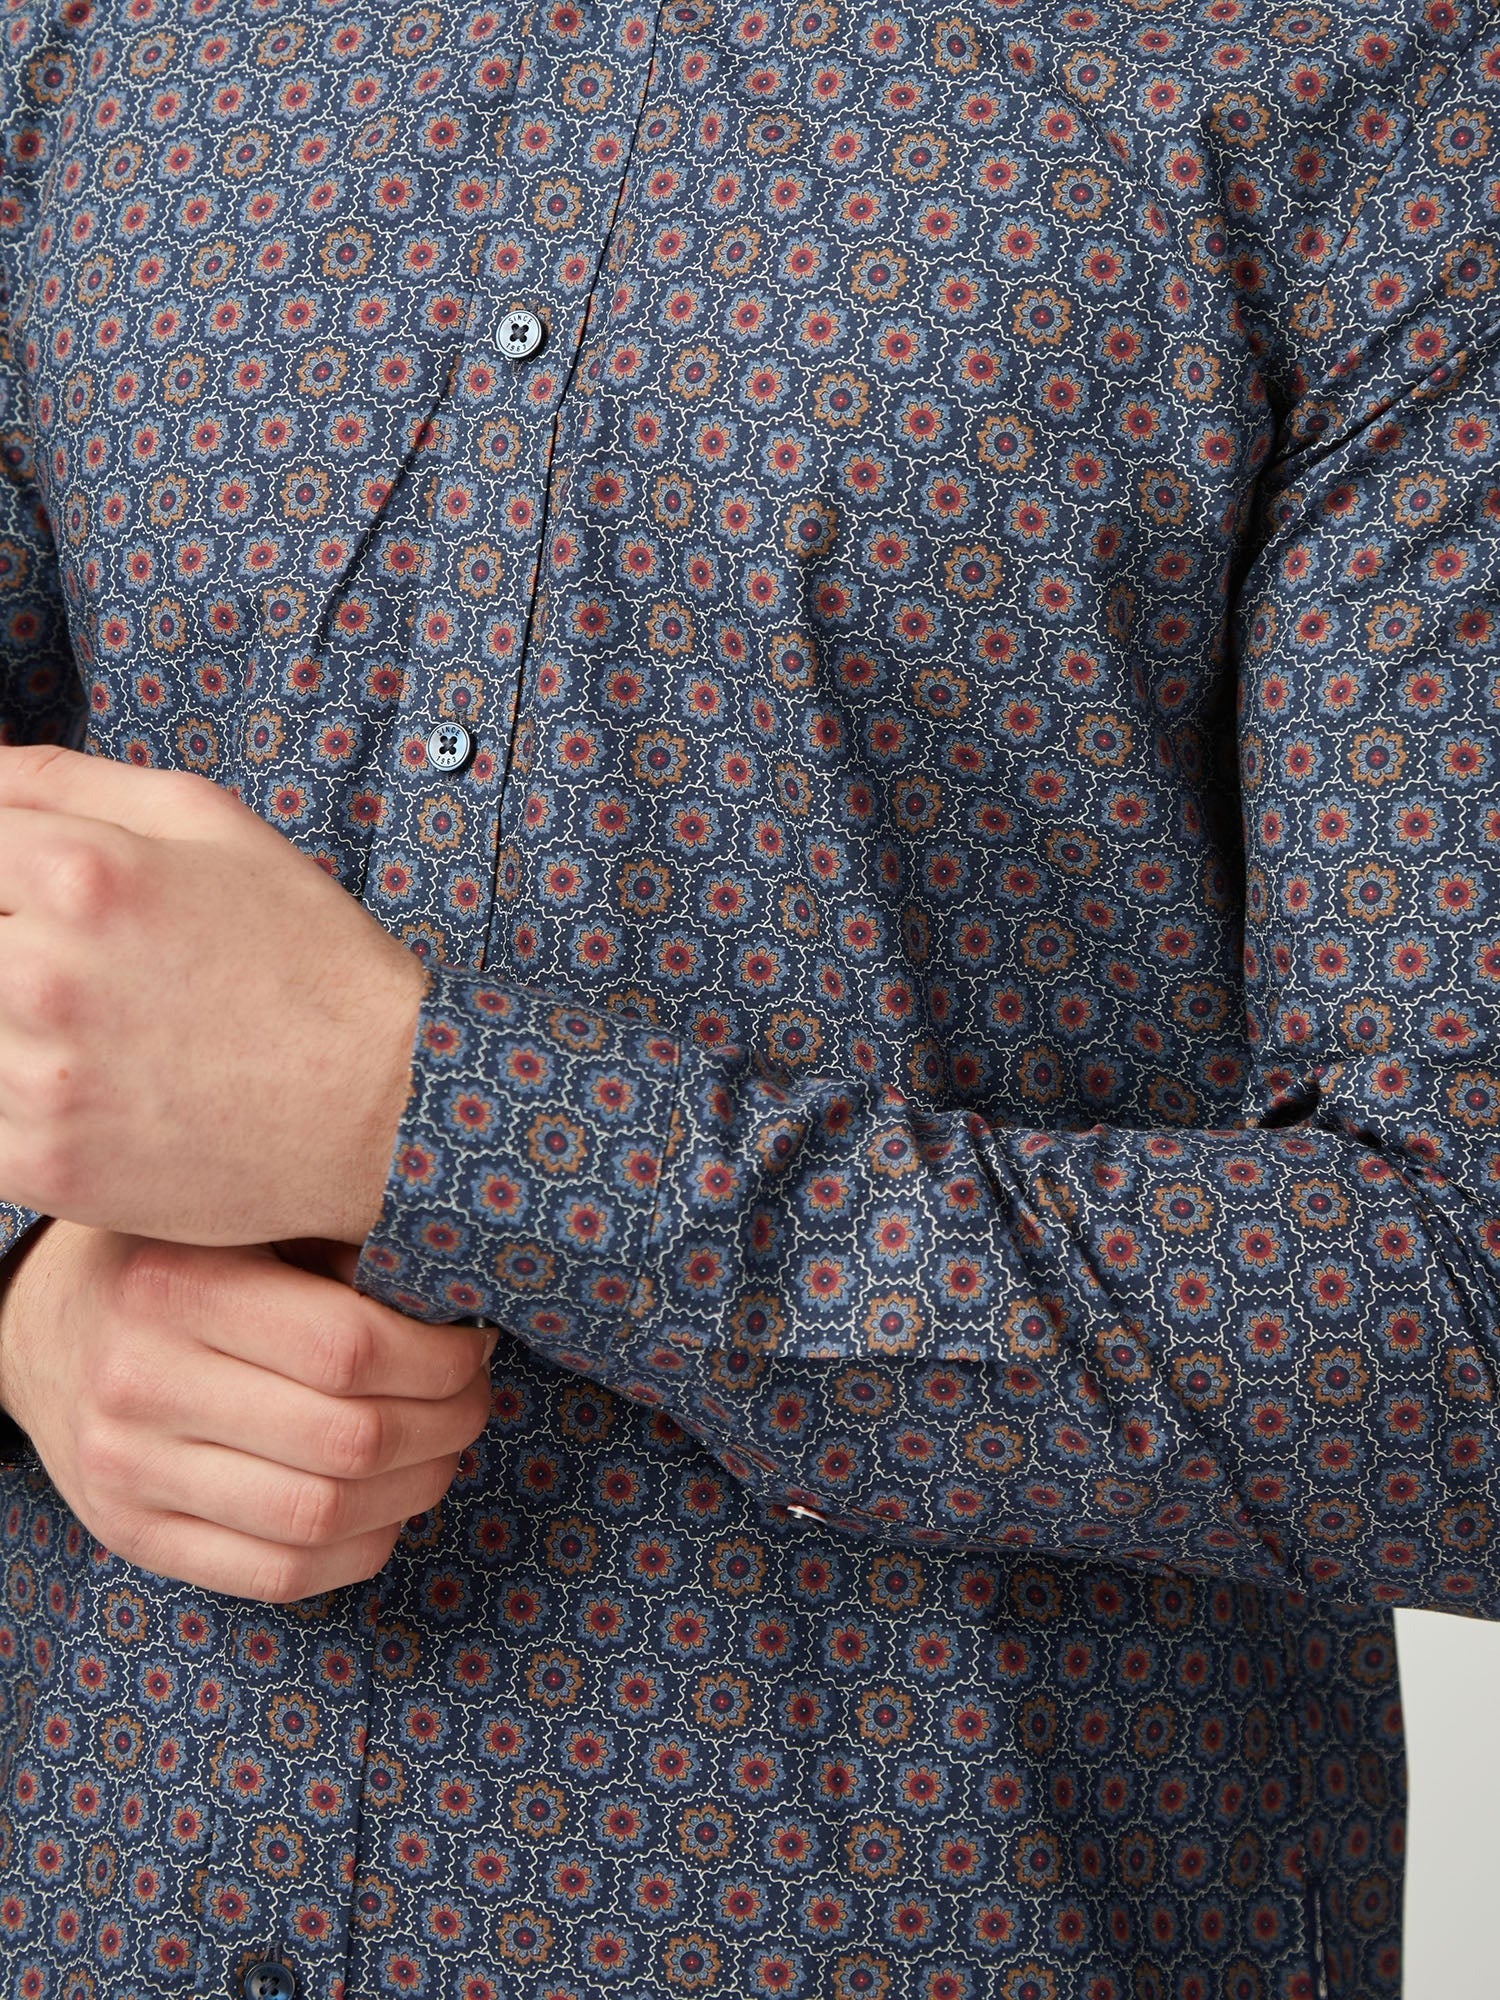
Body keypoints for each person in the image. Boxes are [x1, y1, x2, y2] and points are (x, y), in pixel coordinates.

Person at [0, 0, 1498, 1989]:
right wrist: (32, 1305)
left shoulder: (1382, 84)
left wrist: (433, 1120)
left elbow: (1461, 1331)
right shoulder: (84, 47)